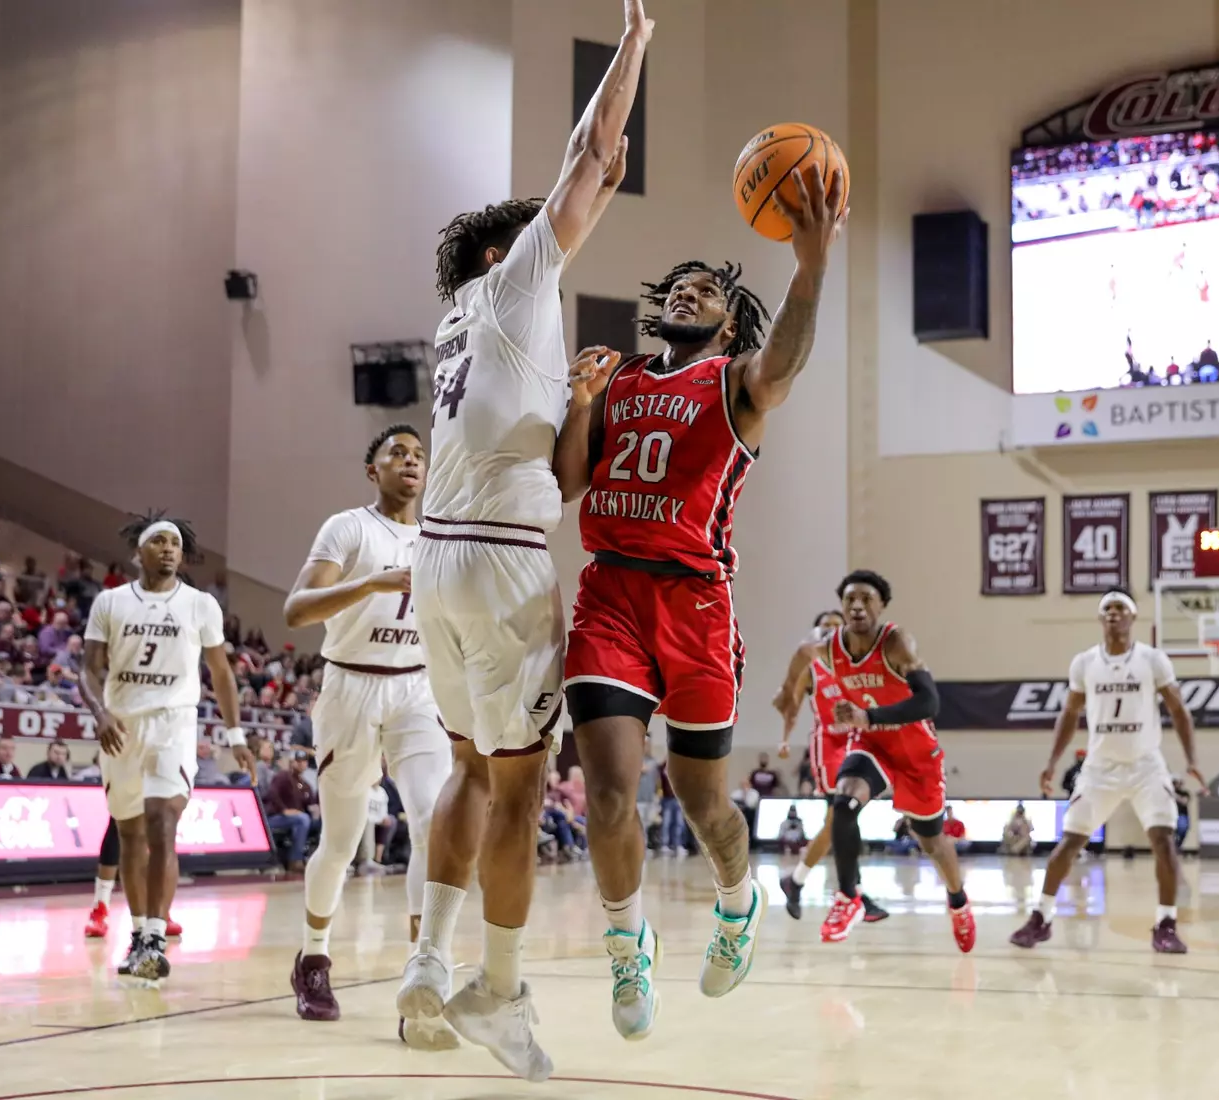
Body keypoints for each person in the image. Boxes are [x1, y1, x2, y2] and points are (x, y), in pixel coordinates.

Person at [395, 2, 650, 1080]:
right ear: (508, 250)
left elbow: (562, 479)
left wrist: (578, 403)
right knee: (518, 780)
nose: (562, 224)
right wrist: (635, 42)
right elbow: (591, 155)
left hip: (444, 556)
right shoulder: (510, 281)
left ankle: (424, 962)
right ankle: (497, 989)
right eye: (538, 225)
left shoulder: (464, 326)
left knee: (467, 768)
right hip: (498, 563)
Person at [551, 157, 847, 1034]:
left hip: (695, 605)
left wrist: (811, 266)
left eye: (705, 290)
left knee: (702, 799)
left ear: (730, 320)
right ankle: (627, 949)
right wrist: (578, 403)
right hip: (608, 595)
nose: (686, 293)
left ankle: (736, 901)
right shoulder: (623, 378)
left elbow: (786, 358)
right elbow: (568, 484)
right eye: (677, 287)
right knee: (607, 791)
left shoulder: (737, 385)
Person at [283, 426, 455, 1043]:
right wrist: (371, 583)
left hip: (417, 687)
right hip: (350, 685)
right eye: (397, 454)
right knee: (341, 837)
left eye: (418, 456)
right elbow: (296, 609)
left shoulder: (441, 533)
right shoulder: (347, 528)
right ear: (371, 469)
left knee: (435, 817)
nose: (410, 462)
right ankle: (313, 957)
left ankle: (424, 973)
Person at [81, 514, 251, 982]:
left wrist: (236, 736)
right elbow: (88, 669)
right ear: (139, 552)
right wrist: (100, 712)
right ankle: (138, 934)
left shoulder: (201, 605)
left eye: (175, 543)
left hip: (173, 723)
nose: (169, 549)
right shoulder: (110, 602)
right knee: (130, 833)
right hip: (122, 726)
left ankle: (156, 936)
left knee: (163, 822)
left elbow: (221, 673)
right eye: (158, 541)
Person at [1010, 590, 1203, 955]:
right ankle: (1042, 917)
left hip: (1146, 765)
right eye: (1108, 609)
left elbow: (1179, 710)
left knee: (1163, 840)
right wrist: (1052, 762)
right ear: (1101, 620)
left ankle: (1166, 923)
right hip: (1100, 768)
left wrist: (1191, 758)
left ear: (1133, 617)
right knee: (1069, 842)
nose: (1114, 614)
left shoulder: (1153, 660)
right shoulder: (1084, 663)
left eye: (1121, 608)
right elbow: (1069, 714)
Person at [811, 571, 973, 951]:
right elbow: (824, 686)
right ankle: (848, 897)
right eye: (850, 598)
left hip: (917, 753)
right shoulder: (828, 649)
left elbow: (929, 702)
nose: (857, 605)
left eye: (867, 598)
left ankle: (958, 903)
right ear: (841, 605)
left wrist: (870, 715)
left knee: (931, 842)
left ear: (881, 606)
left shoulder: (896, 642)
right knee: (844, 802)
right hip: (872, 746)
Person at [773, 609, 889, 923]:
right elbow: (790, 705)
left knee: (842, 820)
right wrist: (784, 739)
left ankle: (798, 881)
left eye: (837, 626)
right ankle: (854, 893)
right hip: (828, 744)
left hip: (856, 740)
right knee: (840, 819)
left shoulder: (856, 665)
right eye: (826, 626)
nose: (831, 631)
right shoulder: (811, 665)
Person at [266, 752, 316, 869]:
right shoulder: (283, 776)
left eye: (304, 761)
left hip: (297, 819)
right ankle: (295, 860)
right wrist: (284, 810)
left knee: (320, 822)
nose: (301, 764)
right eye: (298, 761)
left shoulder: (305, 785)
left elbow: (311, 804)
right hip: (275, 818)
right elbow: (272, 794)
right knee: (302, 819)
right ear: (291, 762)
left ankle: (316, 861)